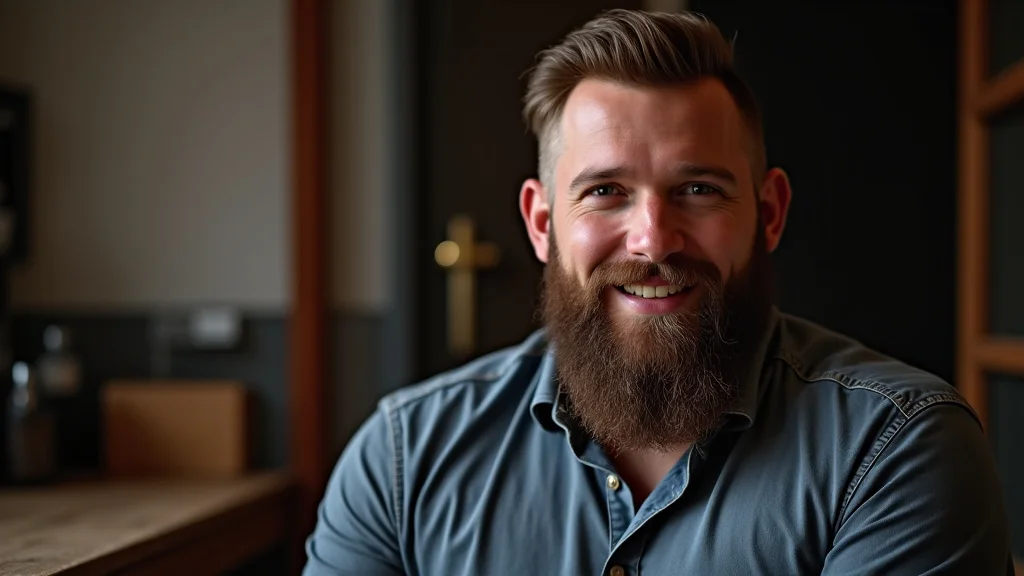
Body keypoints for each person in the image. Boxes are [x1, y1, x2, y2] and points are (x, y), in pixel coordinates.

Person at [303, 9, 1013, 575]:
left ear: (768, 213)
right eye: (606, 192)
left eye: (697, 189)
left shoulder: (896, 449)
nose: (653, 240)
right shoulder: (402, 460)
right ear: (542, 224)